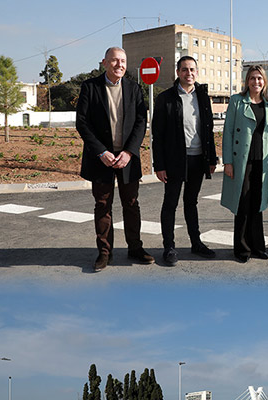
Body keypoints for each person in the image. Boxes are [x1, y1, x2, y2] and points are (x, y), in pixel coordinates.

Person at [76, 46, 154, 272]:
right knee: (102, 206)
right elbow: (82, 123)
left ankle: (135, 248)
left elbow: (141, 122)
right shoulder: (90, 87)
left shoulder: (134, 88)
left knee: (131, 205)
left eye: (123, 61)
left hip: (127, 158)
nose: (120, 65)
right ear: (104, 63)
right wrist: (101, 151)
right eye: (115, 61)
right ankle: (104, 253)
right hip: (101, 159)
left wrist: (129, 152)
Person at [152, 56, 217, 266]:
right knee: (170, 203)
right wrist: (159, 165)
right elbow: (158, 135)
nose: (189, 73)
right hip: (174, 160)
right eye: (185, 70)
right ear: (178, 72)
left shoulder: (203, 96)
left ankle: (196, 243)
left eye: (192, 70)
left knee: (192, 202)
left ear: (197, 72)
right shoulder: (165, 98)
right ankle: (169, 247)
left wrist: (212, 157)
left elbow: (208, 130)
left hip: (198, 159)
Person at [221, 65, 268, 262]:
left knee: (257, 204)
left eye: (260, 79)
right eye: (253, 78)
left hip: (261, 161)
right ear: (247, 81)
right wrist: (227, 162)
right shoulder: (237, 101)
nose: (256, 82)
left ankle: (258, 247)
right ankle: (242, 249)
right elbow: (227, 131)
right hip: (240, 161)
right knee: (242, 204)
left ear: (264, 81)